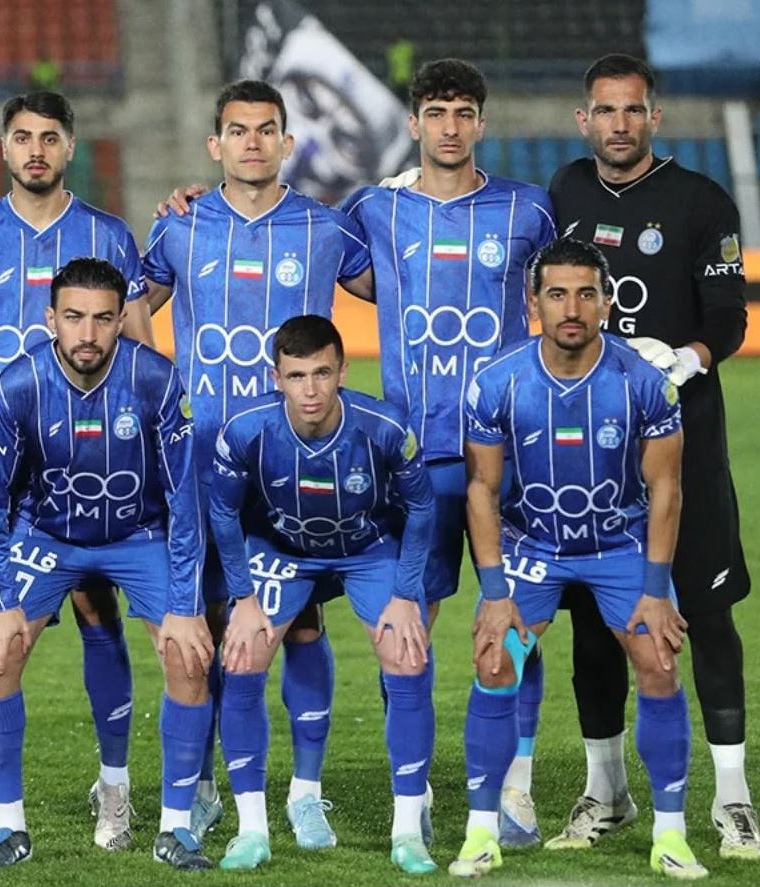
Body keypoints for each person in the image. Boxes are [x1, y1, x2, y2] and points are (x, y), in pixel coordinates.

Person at [542, 53, 760, 860]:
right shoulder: (563, 192)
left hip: (683, 445)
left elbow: (729, 313)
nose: (619, 125)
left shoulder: (701, 201)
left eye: (632, 110)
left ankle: (732, 799)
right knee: (593, 624)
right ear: (584, 120)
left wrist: (687, 358)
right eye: (604, 111)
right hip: (589, 457)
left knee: (706, 614)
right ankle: (606, 792)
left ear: (653, 118)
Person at [146, 79, 373, 851]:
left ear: (287, 143)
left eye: (265, 129)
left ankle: (305, 793)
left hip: (293, 464)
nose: (251, 142)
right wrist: (156, 393)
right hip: (203, 460)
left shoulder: (325, 228)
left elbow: (404, 284)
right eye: (237, 130)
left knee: (301, 622)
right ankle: (209, 783)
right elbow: (128, 308)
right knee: (210, 623)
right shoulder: (178, 226)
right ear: (215, 144)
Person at [338, 58, 557, 847]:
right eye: (436, 112)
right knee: (406, 623)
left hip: (510, 454)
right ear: (413, 123)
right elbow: (305, 239)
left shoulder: (527, 209)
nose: (450, 127)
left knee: (516, 619)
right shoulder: (375, 209)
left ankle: (513, 785)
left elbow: (562, 287)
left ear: (481, 122)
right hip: (414, 455)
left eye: (463, 112)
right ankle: (416, 787)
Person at [0, 89, 151, 851]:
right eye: (22, 137)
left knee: (98, 614)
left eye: (49, 137)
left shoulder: (108, 235)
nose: (35, 150)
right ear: (3, 147)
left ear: (70, 147)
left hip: (88, 464)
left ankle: (113, 786)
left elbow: (142, 353)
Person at [449, 237, 705, 880]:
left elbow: (666, 489)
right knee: (495, 660)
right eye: (557, 294)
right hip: (533, 547)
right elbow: (480, 491)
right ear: (533, 302)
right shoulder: (497, 382)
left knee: (659, 660)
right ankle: (482, 832)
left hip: (619, 546)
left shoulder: (644, 383)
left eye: (586, 294)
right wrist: (495, 592)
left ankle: (671, 835)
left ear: (607, 303)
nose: (572, 308)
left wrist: (655, 589)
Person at [0, 258, 215, 869]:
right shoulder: (16, 385)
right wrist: (0, 604)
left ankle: (175, 829)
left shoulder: (155, 380)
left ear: (122, 319)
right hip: (47, 534)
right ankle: (9, 829)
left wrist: (186, 608)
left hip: (137, 534)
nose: (88, 334)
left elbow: (185, 501)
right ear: (50, 318)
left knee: (188, 655)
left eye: (103, 319)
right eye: (74, 317)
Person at [208, 315, 437, 874]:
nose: (310, 389)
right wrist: (243, 599)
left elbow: (423, 506)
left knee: (407, 654)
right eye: (296, 376)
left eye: (321, 374)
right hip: (282, 550)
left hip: (367, 550)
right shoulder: (246, 430)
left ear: (342, 371)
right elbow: (223, 513)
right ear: (276, 378)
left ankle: (408, 832)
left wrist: (406, 594)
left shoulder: (384, 427)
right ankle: (252, 830)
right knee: (241, 657)